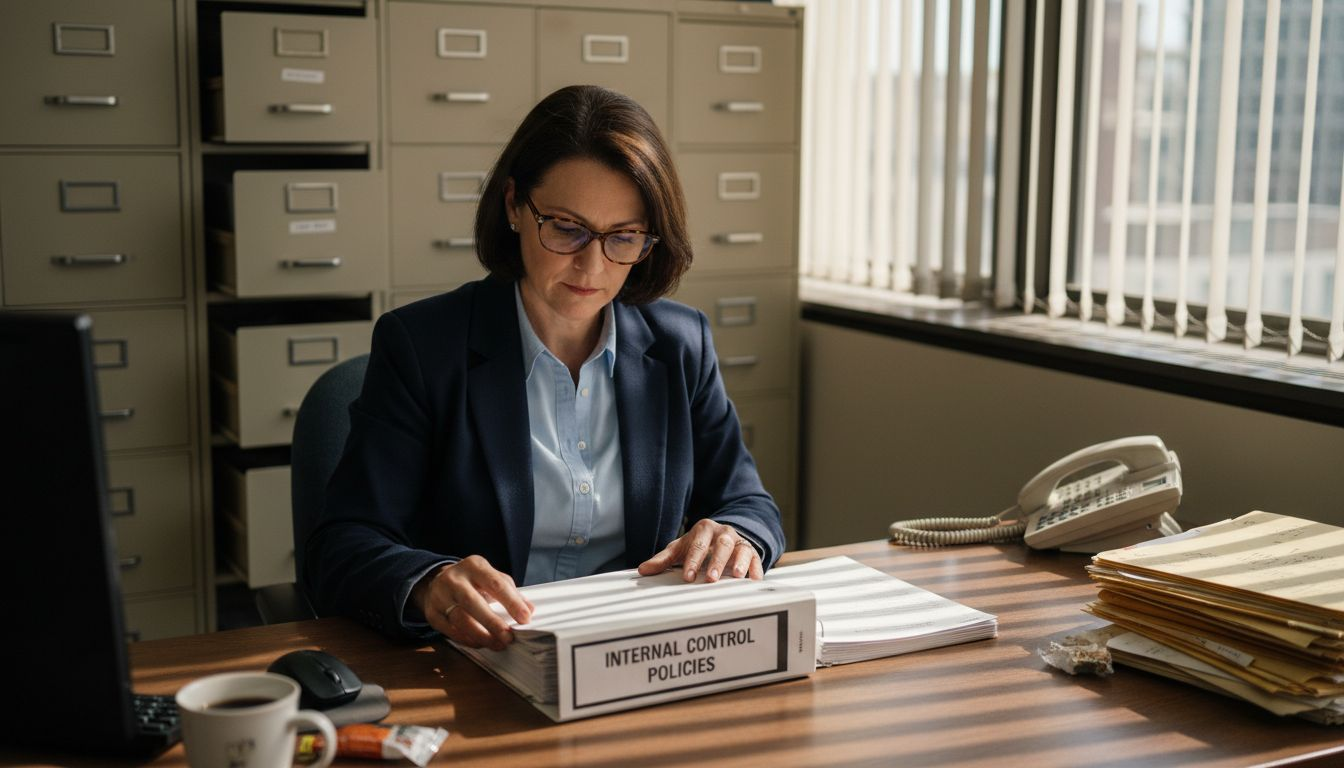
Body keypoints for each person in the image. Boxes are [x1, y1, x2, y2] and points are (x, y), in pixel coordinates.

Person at [305, 85, 784, 649]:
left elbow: (749, 504)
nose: (592, 264)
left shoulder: (680, 344)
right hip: (483, 659)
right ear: (514, 206)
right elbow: (342, 544)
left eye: (623, 237)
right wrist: (428, 583)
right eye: (565, 227)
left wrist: (737, 536)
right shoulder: (421, 346)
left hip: (631, 653)